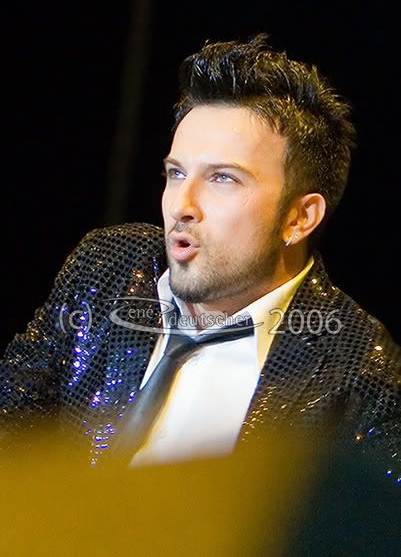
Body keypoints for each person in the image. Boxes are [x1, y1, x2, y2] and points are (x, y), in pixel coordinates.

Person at [1, 34, 400, 476]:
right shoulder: (107, 266)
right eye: (176, 173)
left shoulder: (360, 373)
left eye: (222, 178)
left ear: (299, 218)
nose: (181, 205)